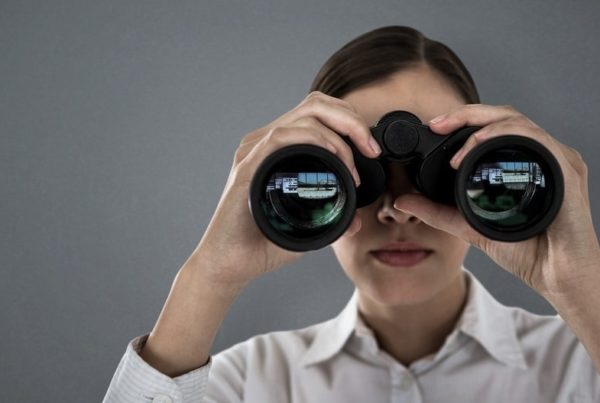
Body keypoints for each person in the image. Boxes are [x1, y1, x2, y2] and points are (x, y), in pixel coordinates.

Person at [103, 26, 600, 402]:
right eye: (361, 175)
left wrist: (582, 285)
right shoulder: (249, 381)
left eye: (442, 176)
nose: (399, 213)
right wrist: (209, 275)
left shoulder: (579, 363)